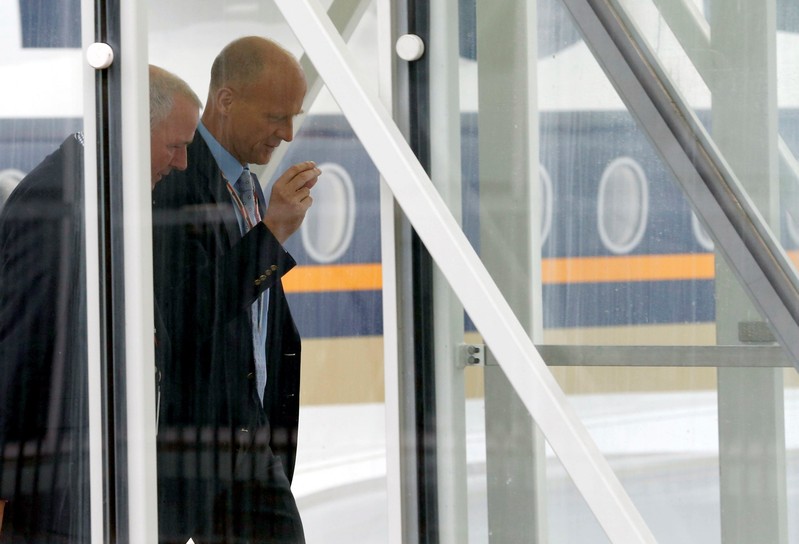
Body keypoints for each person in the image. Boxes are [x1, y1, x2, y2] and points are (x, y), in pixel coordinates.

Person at [0, 65, 200, 542]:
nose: (182, 164)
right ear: (129, 127)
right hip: (60, 503)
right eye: (175, 146)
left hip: (105, 492)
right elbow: (20, 352)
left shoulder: (111, 193)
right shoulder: (54, 202)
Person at [152, 36, 319, 544]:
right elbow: (186, 311)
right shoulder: (175, 177)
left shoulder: (245, 184)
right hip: (199, 446)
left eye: (293, 117)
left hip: (249, 437)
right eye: (275, 117)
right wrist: (271, 237)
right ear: (225, 101)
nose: (287, 134)